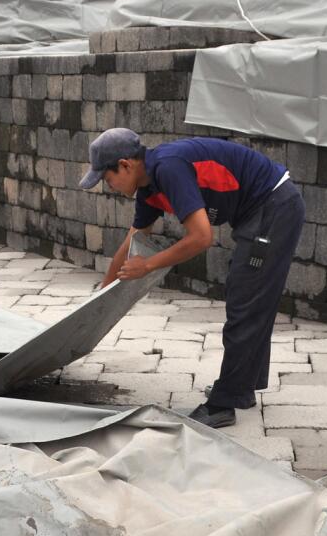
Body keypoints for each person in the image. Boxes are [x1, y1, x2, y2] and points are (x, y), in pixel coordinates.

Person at [79, 128, 305, 428]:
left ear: (125, 165)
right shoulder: (148, 188)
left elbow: (201, 238)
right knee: (251, 298)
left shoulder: (169, 168)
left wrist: (147, 266)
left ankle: (222, 405)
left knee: (246, 301)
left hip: (274, 207)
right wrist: (102, 296)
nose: (111, 186)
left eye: (108, 179)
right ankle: (241, 388)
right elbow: (133, 239)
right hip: (260, 212)